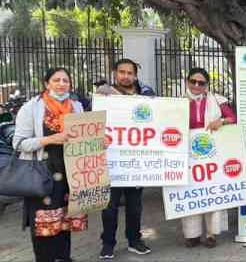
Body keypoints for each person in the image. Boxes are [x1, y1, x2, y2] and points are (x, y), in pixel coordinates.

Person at [13, 68, 87, 262]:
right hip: (42, 174)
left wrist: (97, 141)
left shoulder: (76, 107)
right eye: (56, 80)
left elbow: (83, 136)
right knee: (44, 224)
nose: (62, 84)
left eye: (65, 80)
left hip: (69, 174)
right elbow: (19, 143)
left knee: (64, 221)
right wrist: (51, 139)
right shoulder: (32, 108)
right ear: (47, 84)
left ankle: (64, 257)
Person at [96, 58, 155, 259]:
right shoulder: (103, 94)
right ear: (115, 73)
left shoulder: (146, 95)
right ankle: (108, 243)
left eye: (129, 73)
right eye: (122, 72)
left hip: (136, 162)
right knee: (109, 206)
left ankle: (134, 240)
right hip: (111, 160)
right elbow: (93, 120)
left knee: (134, 205)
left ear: (135, 75)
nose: (125, 76)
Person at [181, 68, 237, 248]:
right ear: (187, 81)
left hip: (212, 155)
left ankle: (212, 233)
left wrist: (221, 121)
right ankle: (192, 234)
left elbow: (232, 117)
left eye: (201, 83)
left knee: (212, 192)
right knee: (190, 192)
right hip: (188, 156)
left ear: (207, 85)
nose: (196, 85)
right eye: (193, 81)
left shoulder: (217, 100)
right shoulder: (178, 102)